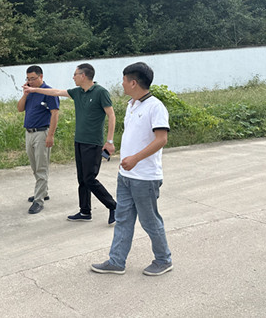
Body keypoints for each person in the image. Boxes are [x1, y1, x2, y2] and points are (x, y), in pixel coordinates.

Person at [91, 62, 172, 276]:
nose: (122, 84)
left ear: (133, 82)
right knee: (123, 218)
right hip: (125, 175)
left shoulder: (155, 107)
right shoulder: (132, 104)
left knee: (149, 221)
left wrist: (135, 158)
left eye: (124, 80)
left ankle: (163, 260)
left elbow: (161, 139)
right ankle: (116, 261)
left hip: (145, 177)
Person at [23, 63, 117, 224]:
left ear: (83, 75)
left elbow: (111, 115)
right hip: (79, 141)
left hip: (93, 142)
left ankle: (114, 206)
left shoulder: (101, 92)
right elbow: (56, 92)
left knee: (89, 179)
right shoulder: (78, 92)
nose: (73, 77)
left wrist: (109, 141)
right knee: (82, 179)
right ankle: (85, 211)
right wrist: (33, 90)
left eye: (75, 74)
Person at [18, 66, 60, 214]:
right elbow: (20, 108)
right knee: (34, 165)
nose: (30, 81)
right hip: (29, 132)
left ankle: (39, 200)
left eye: (33, 78)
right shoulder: (30, 92)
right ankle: (43, 192)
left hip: (42, 132)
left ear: (41, 76)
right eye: (28, 79)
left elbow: (55, 114)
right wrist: (25, 93)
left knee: (41, 167)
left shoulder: (48, 92)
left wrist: (50, 135)